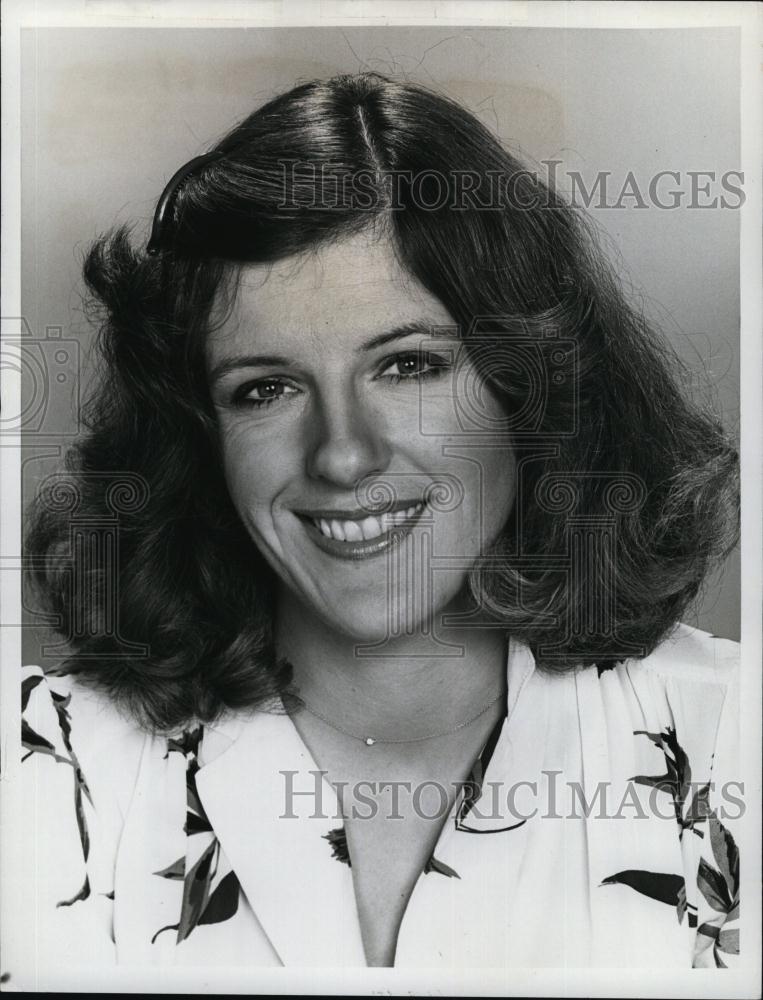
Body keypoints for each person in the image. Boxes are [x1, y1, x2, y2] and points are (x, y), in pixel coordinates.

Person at [12, 72, 740, 975]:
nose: (343, 456)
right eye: (264, 389)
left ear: (533, 390)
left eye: (407, 367)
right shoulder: (46, 771)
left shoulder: (732, 738)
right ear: (201, 437)